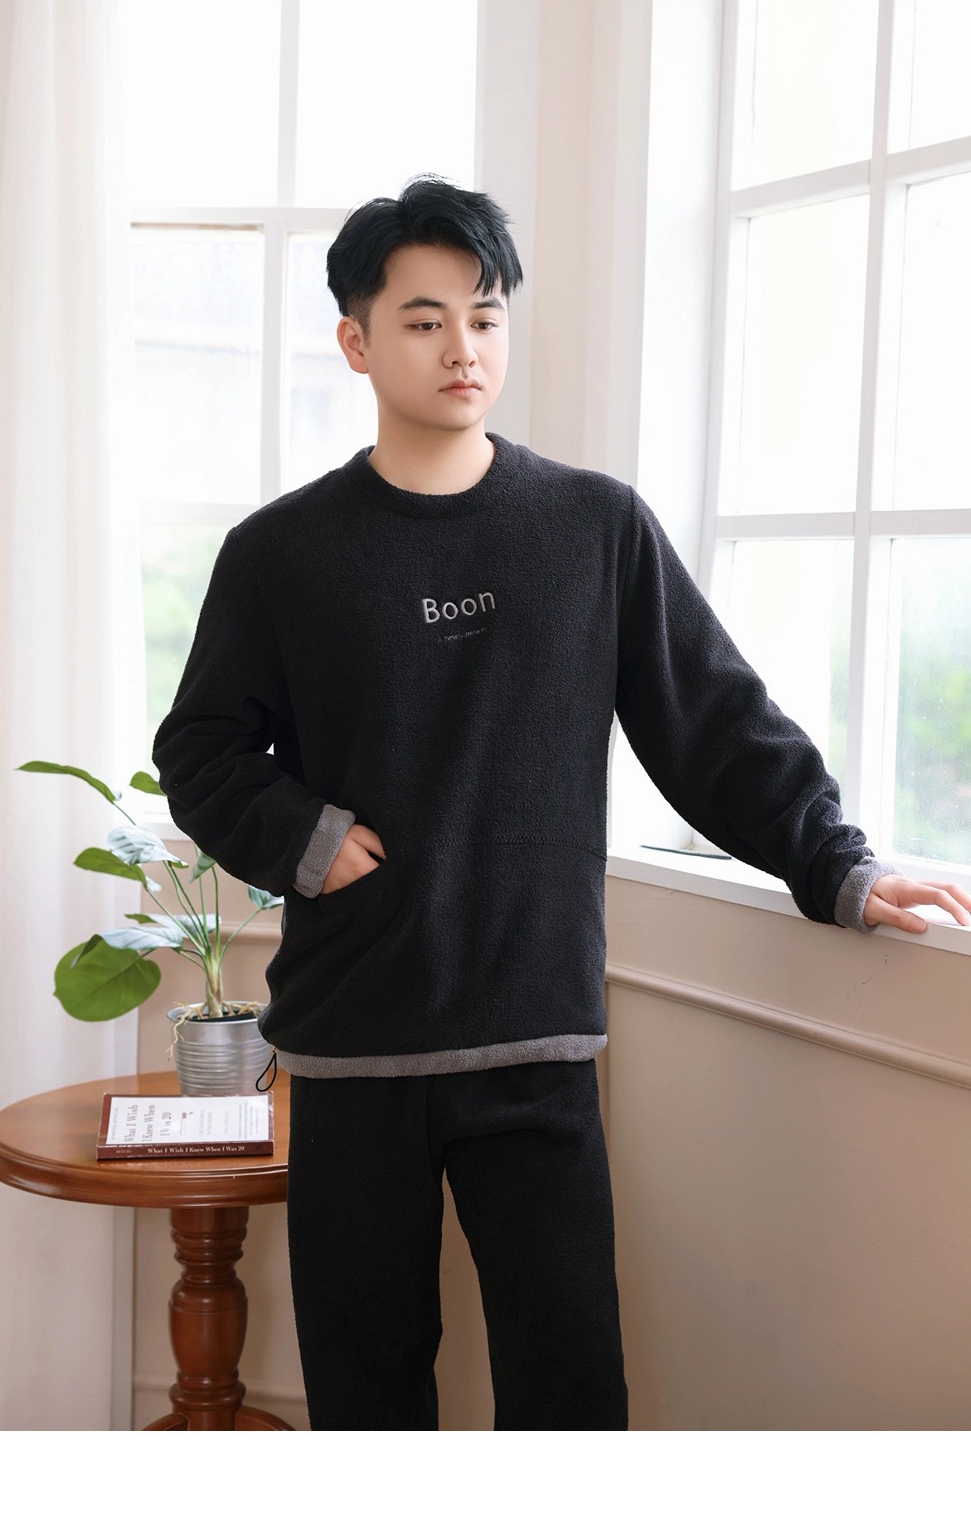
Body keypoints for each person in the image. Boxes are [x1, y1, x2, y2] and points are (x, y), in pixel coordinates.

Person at [152, 176, 971, 1431]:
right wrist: (310, 841)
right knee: (366, 1393)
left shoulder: (592, 527)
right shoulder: (282, 552)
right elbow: (201, 748)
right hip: (354, 1040)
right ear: (356, 342)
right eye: (424, 319)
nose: (463, 347)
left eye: (485, 316)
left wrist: (840, 865)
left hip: (535, 1032)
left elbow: (711, 722)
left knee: (571, 1389)